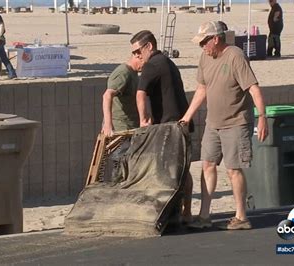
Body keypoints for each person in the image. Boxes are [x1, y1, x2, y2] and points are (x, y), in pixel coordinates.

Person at [181, 21, 268, 230]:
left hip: (236, 122)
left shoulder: (235, 56)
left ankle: (241, 216)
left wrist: (262, 116)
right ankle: (203, 215)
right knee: (207, 164)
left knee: (233, 169)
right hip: (213, 122)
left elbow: (253, 89)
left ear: (216, 39)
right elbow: (201, 89)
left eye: (204, 42)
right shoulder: (205, 58)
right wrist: (186, 117)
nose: (202, 46)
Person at [130, 30, 193, 223]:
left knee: (169, 170)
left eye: (138, 51)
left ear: (149, 46)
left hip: (169, 125)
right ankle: (186, 211)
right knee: (183, 170)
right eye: (134, 53)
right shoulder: (168, 62)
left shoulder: (152, 65)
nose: (136, 56)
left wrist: (143, 119)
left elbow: (140, 93)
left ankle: (174, 212)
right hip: (182, 121)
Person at [101, 55, 144, 136]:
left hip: (131, 127)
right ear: (138, 57)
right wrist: (108, 125)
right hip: (120, 129)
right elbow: (107, 96)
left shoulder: (134, 72)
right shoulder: (123, 73)